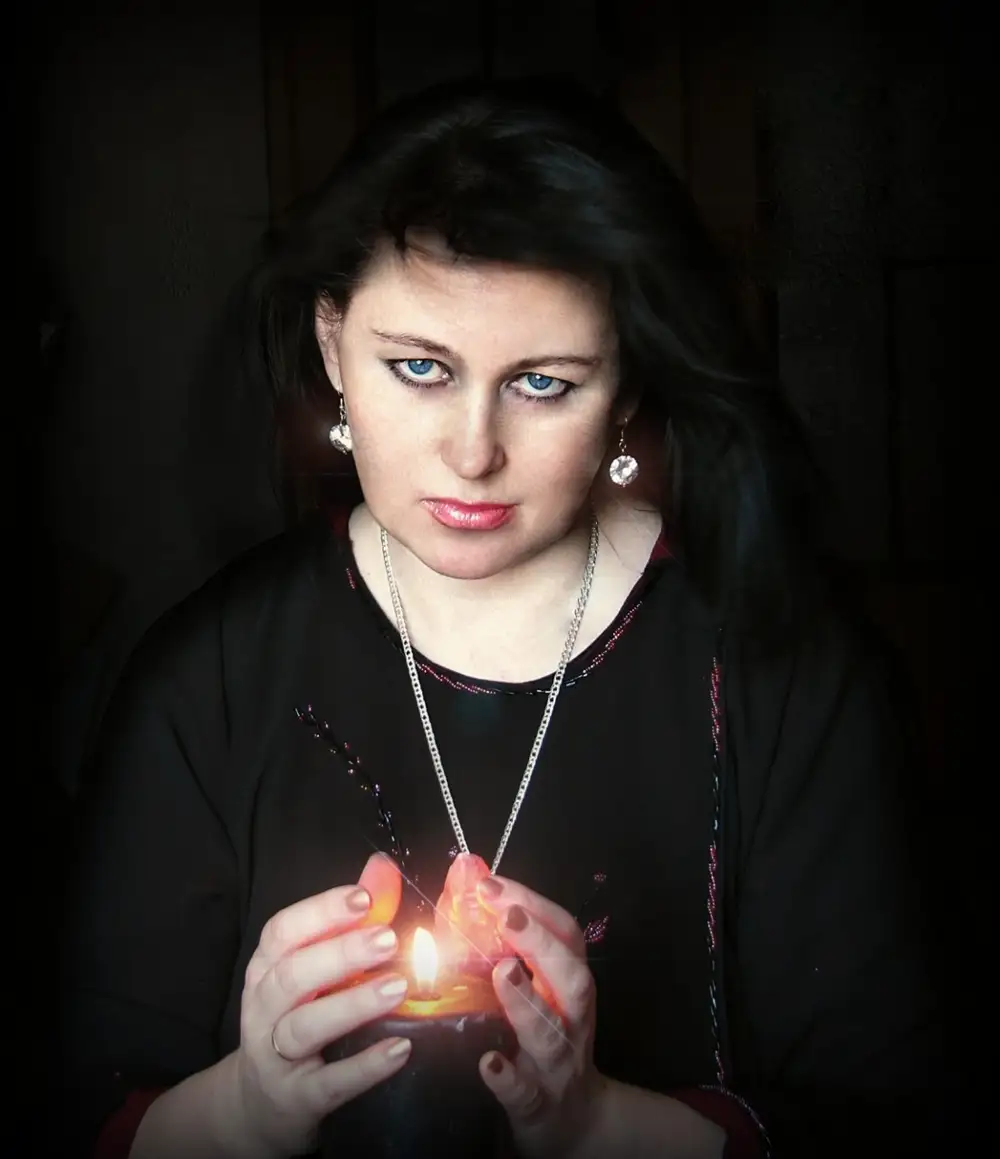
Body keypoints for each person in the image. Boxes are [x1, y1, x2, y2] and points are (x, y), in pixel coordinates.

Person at [59, 77, 940, 1158]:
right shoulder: (206, 679)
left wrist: (603, 1124)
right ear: (333, 345)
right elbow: (82, 1107)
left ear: (626, 384)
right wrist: (244, 1109)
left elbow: (886, 1115)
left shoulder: (787, 672)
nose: (473, 452)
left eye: (543, 384)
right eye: (418, 368)